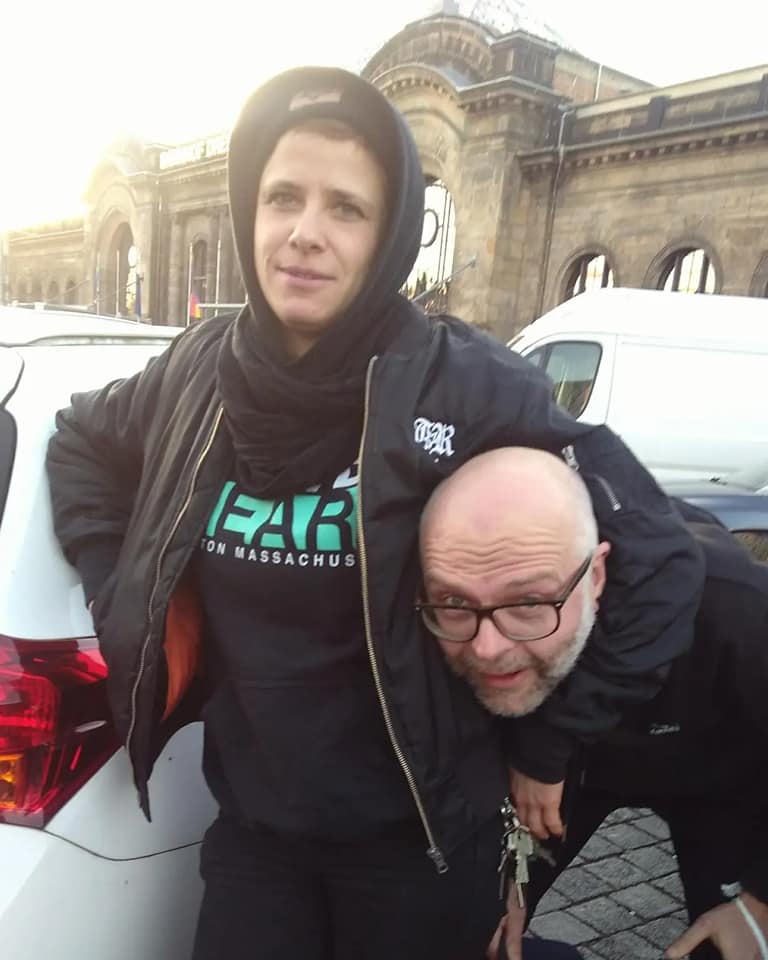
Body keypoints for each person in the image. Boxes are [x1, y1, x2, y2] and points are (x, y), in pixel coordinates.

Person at [46, 67, 703, 959]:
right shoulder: (197, 374)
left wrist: (549, 742)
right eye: (283, 197)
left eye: (346, 209)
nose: (304, 233)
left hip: (419, 846)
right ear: (248, 210)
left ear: (390, 233)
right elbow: (80, 442)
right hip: (256, 836)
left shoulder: (465, 385)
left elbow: (660, 559)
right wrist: (110, 582)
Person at [418, 446, 768, 960]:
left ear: (596, 577)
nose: (487, 647)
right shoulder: (455, 617)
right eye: (457, 603)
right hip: (573, 773)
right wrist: (501, 870)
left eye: (529, 602)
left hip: (722, 774)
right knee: (480, 928)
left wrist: (760, 902)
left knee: (738, 943)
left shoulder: (740, 610)